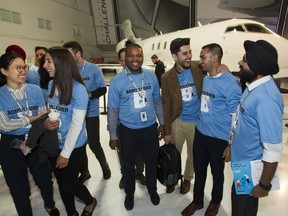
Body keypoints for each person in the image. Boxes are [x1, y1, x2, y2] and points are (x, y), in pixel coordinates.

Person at [181, 43, 241, 216]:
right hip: (201, 133)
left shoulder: (230, 84)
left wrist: (231, 144)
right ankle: (197, 201)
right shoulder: (206, 77)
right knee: (199, 170)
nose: (200, 61)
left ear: (215, 58)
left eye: (203, 57)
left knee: (217, 174)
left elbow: (236, 117)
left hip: (219, 139)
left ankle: (215, 202)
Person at [0, 51, 59, 216]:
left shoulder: (34, 90)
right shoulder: (0, 95)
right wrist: (33, 118)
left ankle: (50, 205)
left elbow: (43, 117)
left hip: (36, 138)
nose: (23, 71)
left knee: (45, 180)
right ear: (4, 71)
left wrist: (38, 119)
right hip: (11, 144)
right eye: (17, 68)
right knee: (19, 188)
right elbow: (4, 126)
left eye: (24, 67)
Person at [107, 43, 164, 211]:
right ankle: (130, 194)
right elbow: (112, 110)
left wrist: (163, 122)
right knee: (128, 165)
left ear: (142, 56)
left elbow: (157, 101)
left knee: (151, 162)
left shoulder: (151, 76)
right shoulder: (118, 81)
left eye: (138, 55)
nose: (135, 59)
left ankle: (152, 190)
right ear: (125, 59)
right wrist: (112, 135)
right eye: (131, 56)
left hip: (149, 129)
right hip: (128, 131)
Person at [230, 40, 283, 216]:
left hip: (250, 173)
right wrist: (230, 147)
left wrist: (263, 184)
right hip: (241, 166)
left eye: (244, 60)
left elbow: (273, 149)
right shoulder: (252, 87)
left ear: (256, 65)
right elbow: (241, 122)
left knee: (242, 210)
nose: (239, 62)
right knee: (241, 207)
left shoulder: (266, 99)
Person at [43, 47, 97, 216]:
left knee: (69, 183)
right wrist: (46, 122)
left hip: (73, 146)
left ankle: (90, 201)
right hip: (54, 143)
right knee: (61, 182)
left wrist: (65, 153)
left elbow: (77, 124)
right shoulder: (52, 84)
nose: (44, 65)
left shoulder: (79, 89)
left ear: (61, 63)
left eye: (49, 61)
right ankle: (72, 212)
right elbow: (53, 110)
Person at [63, 41, 111, 182]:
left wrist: (88, 95)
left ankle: (105, 166)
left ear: (78, 53)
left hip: (91, 113)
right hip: (74, 113)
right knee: (79, 144)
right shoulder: (68, 70)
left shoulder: (93, 68)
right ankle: (85, 172)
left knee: (94, 143)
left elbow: (103, 89)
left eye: (69, 54)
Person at [161, 38, 205, 194]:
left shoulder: (198, 68)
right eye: (184, 53)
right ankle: (172, 178)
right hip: (177, 122)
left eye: (190, 52)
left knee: (193, 155)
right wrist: (166, 131)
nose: (189, 56)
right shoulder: (167, 78)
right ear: (174, 56)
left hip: (197, 122)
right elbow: (166, 105)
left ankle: (187, 179)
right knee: (174, 155)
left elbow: (214, 69)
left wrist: (223, 68)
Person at [116, 47, 146, 189]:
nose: (125, 62)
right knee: (123, 152)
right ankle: (126, 174)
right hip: (122, 125)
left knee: (140, 151)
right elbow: (112, 109)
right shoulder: (118, 81)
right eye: (122, 60)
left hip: (140, 124)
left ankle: (139, 172)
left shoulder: (142, 78)